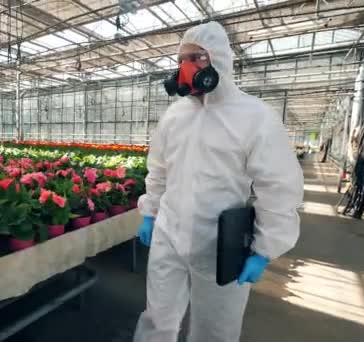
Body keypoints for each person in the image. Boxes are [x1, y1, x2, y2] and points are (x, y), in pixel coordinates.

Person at [133, 21, 304, 342]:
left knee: (215, 330)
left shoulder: (255, 117)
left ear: (220, 61)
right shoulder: (175, 116)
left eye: (197, 57)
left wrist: (265, 248)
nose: (186, 67)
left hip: (220, 242)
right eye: (182, 59)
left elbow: (278, 187)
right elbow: (158, 169)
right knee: (158, 317)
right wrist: (150, 212)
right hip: (169, 233)